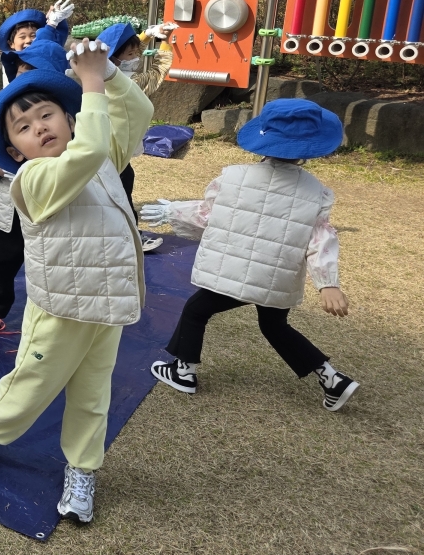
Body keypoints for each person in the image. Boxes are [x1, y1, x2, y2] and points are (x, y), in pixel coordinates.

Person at [0, 38, 153, 526]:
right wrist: (91, 82)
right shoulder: (31, 180)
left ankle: (82, 468)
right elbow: (90, 149)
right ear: (15, 150)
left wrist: (109, 74)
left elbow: (139, 112)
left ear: (70, 118)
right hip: (61, 308)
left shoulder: (99, 157)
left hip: (107, 301)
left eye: (47, 116)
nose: (40, 128)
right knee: (30, 386)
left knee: (94, 394)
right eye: (24, 128)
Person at [143, 99, 360, 411]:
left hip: (233, 272)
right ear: (310, 149)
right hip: (277, 278)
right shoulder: (318, 193)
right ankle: (332, 378)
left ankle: (183, 371)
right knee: (274, 326)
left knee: (195, 310)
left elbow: (207, 215)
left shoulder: (233, 178)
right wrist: (328, 283)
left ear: (262, 136)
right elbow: (320, 239)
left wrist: (171, 210)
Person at [0, 38, 71, 339]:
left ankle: (58, 319)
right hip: (11, 209)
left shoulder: (65, 120)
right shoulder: (6, 115)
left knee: (58, 265)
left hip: (56, 213)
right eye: (21, 71)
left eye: (34, 72)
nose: (37, 127)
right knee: (1, 261)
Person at [0, 0, 75, 232]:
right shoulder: (6, 104)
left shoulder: (65, 112)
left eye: (34, 35)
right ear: (11, 44)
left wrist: (51, 25)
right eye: (23, 36)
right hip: (8, 209)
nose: (30, 40)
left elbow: (49, 52)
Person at [95, 20, 178, 253]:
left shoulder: (95, 73)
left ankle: (122, 237)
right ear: (115, 56)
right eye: (131, 52)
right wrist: (164, 43)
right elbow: (158, 73)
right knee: (121, 195)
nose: (135, 56)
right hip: (116, 152)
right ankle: (132, 239)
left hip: (101, 145)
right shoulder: (129, 83)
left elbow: (119, 51)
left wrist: (147, 35)